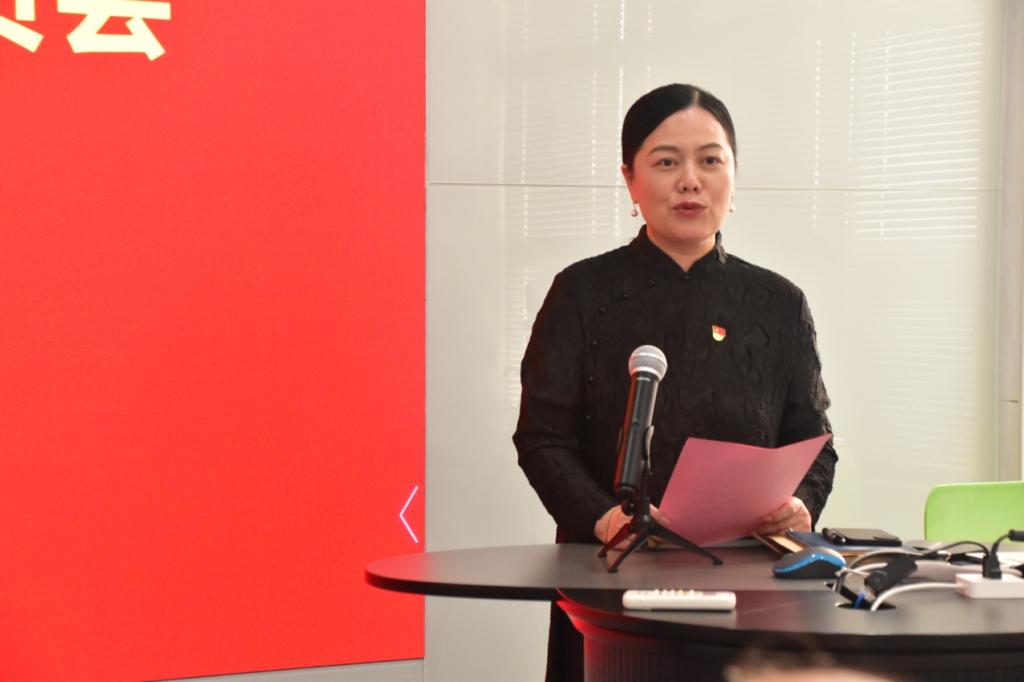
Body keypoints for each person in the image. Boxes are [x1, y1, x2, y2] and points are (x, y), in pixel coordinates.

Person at [512, 83, 838, 682]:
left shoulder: (779, 303)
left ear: (733, 177)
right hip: (611, 578)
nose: (691, 181)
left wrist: (801, 505)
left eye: (710, 160)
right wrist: (604, 517)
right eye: (666, 163)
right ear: (630, 180)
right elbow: (542, 438)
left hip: (749, 583)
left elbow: (815, 441)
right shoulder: (582, 293)